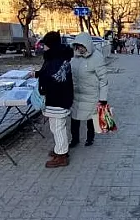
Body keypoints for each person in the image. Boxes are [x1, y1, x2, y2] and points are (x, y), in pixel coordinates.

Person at [37, 31, 73, 168]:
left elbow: (52, 79)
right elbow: (48, 73)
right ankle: (60, 148)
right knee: (55, 126)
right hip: (58, 98)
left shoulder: (56, 59)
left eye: (45, 45)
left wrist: (41, 86)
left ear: (50, 45)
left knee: (58, 127)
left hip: (58, 99)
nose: (43, 47)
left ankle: (62, 155)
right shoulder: (58, 57)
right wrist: (38, 74)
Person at [70, 32, 108, 147]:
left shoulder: (97, 57)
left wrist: (103, 99)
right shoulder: (75, 57)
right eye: (78, 46)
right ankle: (74, 139)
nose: (79, 49)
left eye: (81, 46)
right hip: (76, 94)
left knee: (90, 118)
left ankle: (90, 138)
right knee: (74, 118)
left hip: (91, 95)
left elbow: (103, 80)